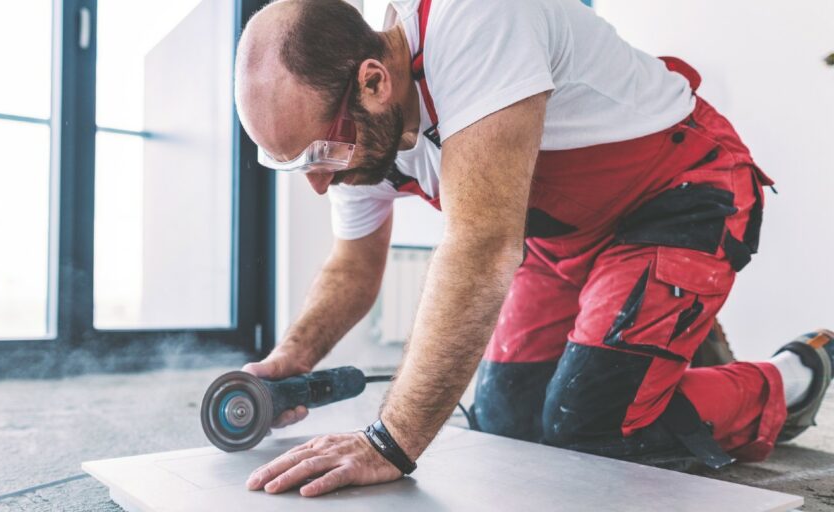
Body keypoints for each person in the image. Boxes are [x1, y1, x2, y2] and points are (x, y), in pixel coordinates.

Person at [233, 0, 832, 498]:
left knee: (588, 432)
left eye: (318, 156)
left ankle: (793, 376)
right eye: (294, 167)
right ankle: (667, 340)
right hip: (559, 239)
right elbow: (352, 266)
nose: (317, 183)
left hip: (679, 193)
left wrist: (389, 440)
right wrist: (290, 361)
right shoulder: (358, 134)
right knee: (508, 428)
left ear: (374, 80)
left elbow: (482, 245)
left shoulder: (474, 20)